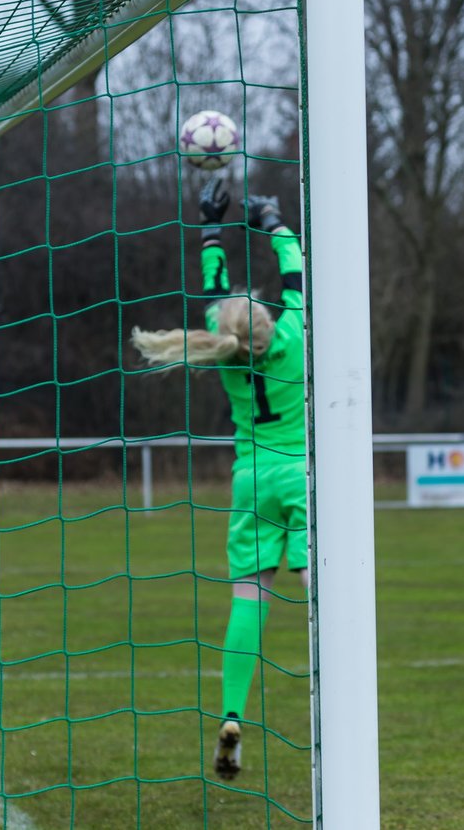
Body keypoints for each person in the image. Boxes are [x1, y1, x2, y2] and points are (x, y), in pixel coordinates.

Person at [131, 177, 308, 781]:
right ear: (264, 320)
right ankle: (338, 705)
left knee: (249, 597)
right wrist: (273, 222)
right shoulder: (290, 335)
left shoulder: (222, 347)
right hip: (300, 475)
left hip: (250, 480)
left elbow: (213, 290)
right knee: (318, 589)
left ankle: (233, 712)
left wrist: (211, 225)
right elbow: (294, 272)